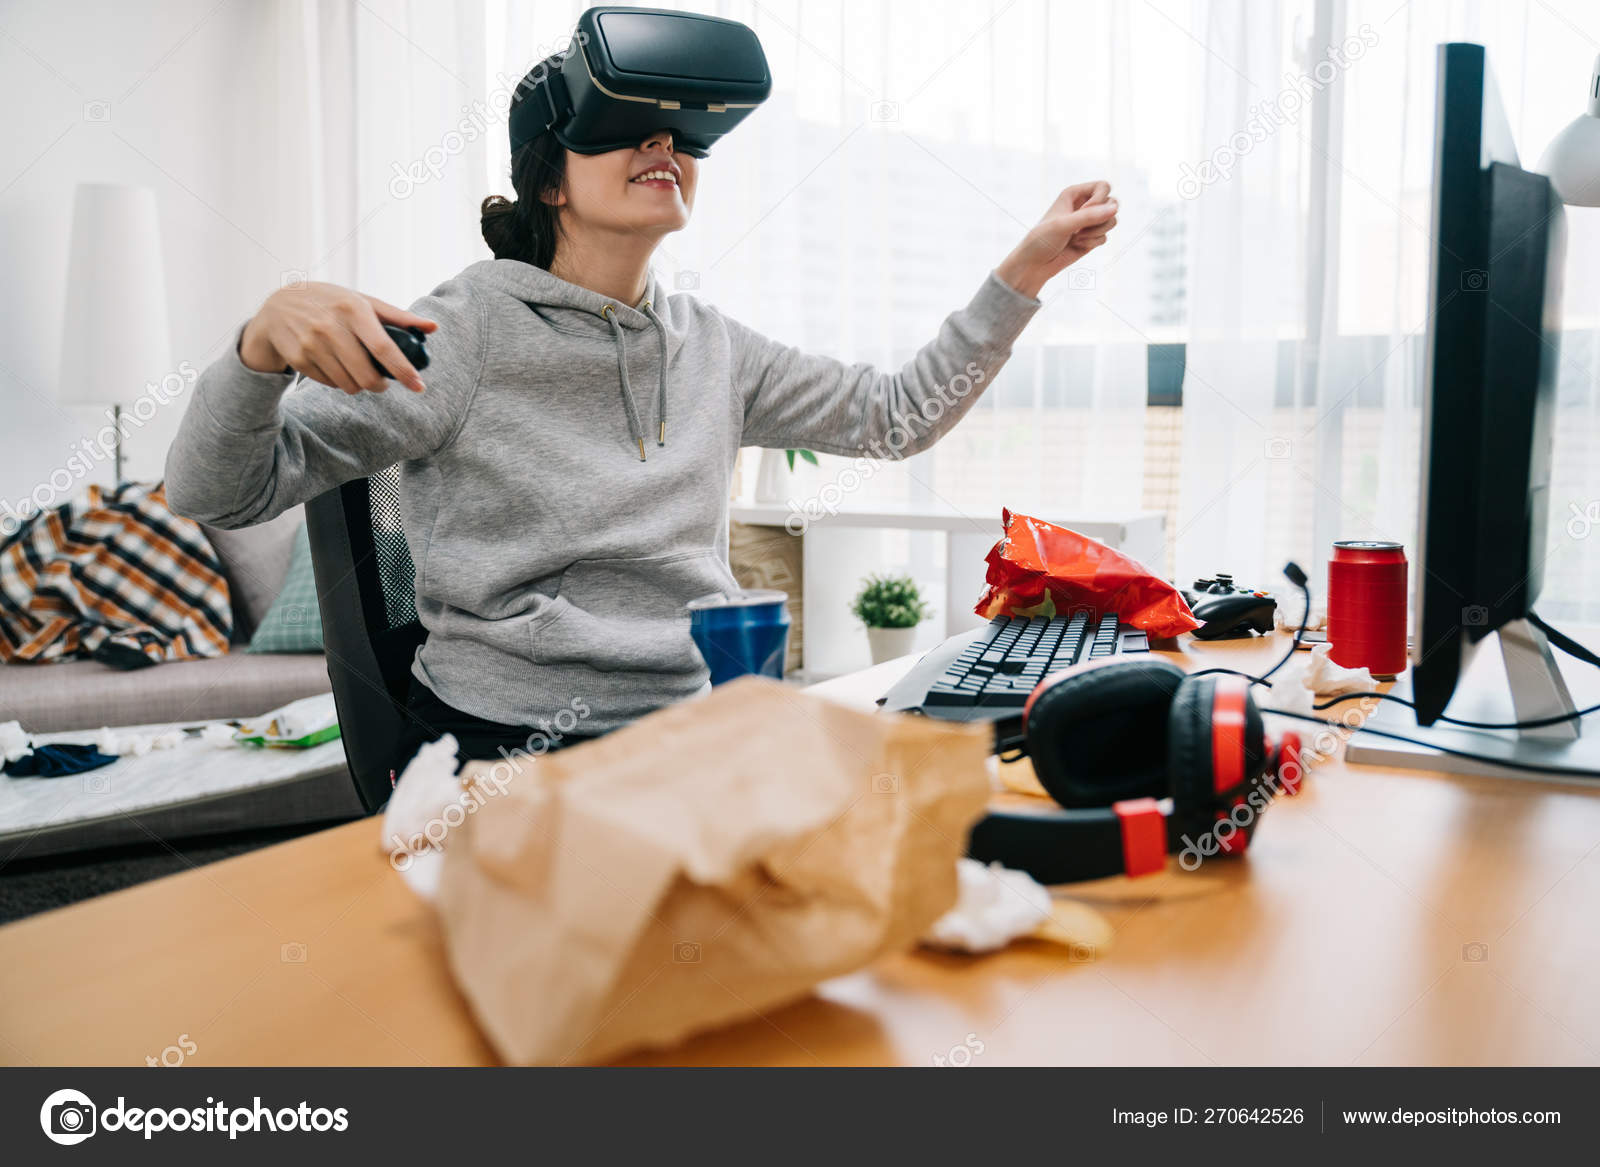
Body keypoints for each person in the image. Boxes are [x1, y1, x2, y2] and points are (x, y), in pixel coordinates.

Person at [165, 119, 1119, 772]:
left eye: (675, 132)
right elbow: (221, 490)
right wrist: (259, 345)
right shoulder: (463, 336)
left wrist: (1023, 272)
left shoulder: (711, 344)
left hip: (698, 720)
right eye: (626, 127)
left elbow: (897, 415)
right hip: (519, 741)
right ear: (549, 177)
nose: (663, 145)